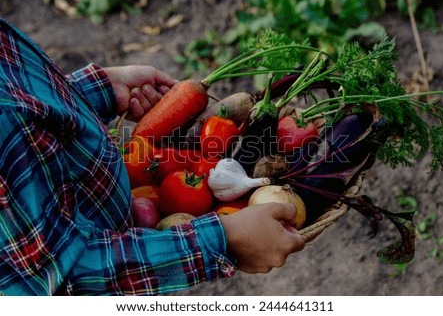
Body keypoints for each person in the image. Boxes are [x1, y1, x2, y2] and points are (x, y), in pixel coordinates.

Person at [0, 17, 304, 296]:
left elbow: (27, 97)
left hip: (123, 226)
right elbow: (61, 280)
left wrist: (91, 91)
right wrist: (221, 239)